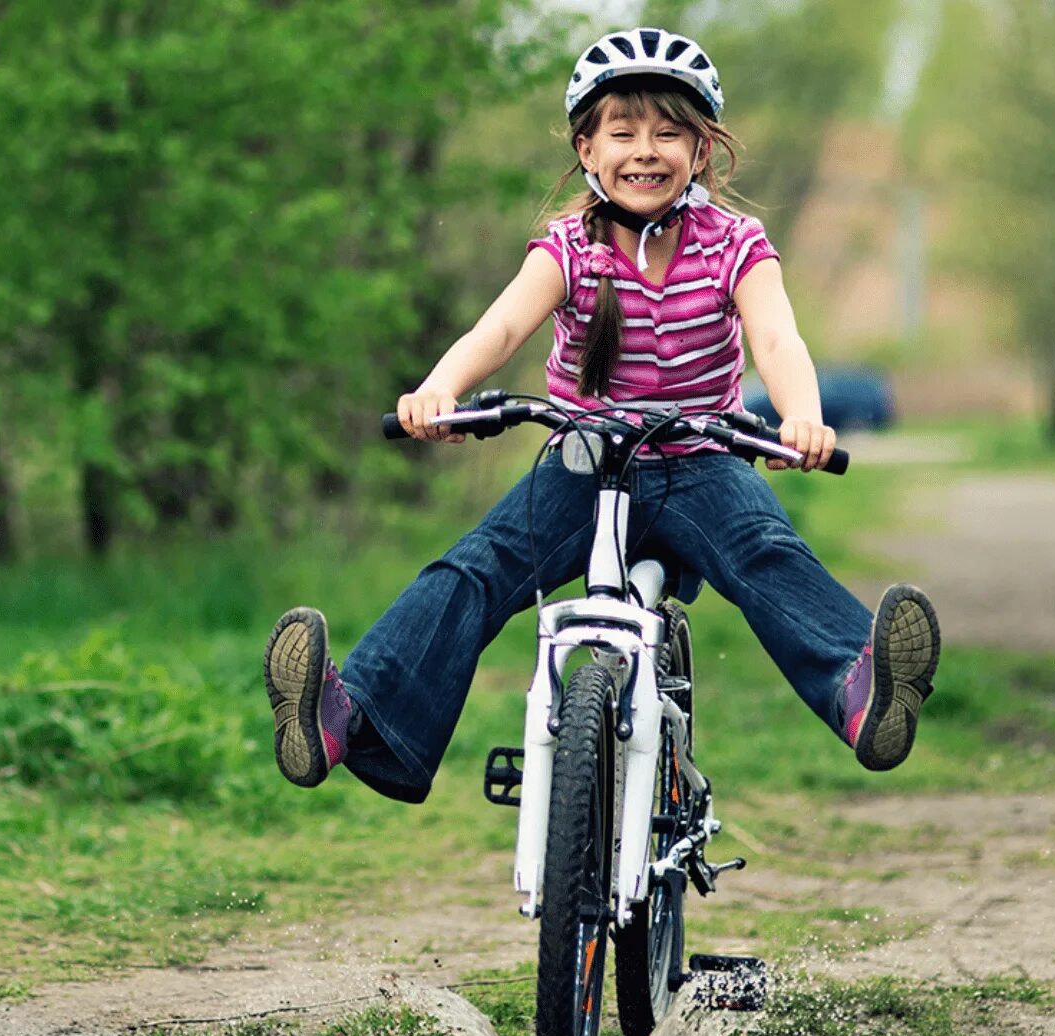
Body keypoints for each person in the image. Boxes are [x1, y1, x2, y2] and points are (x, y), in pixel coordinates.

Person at [263, 27, 940, 804]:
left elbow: (777, 338)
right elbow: (502, 328)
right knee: (476, 569)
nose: (645, 150)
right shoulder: (570, 249)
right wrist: (437, 391)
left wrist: (803, 418)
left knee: (764, 551)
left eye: (668, 132)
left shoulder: (733, 243)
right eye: (622, 132)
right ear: (587, 150)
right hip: (584, 462)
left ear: (702, 150)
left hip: (701, 461)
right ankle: (346, 718)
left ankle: (864, 693)